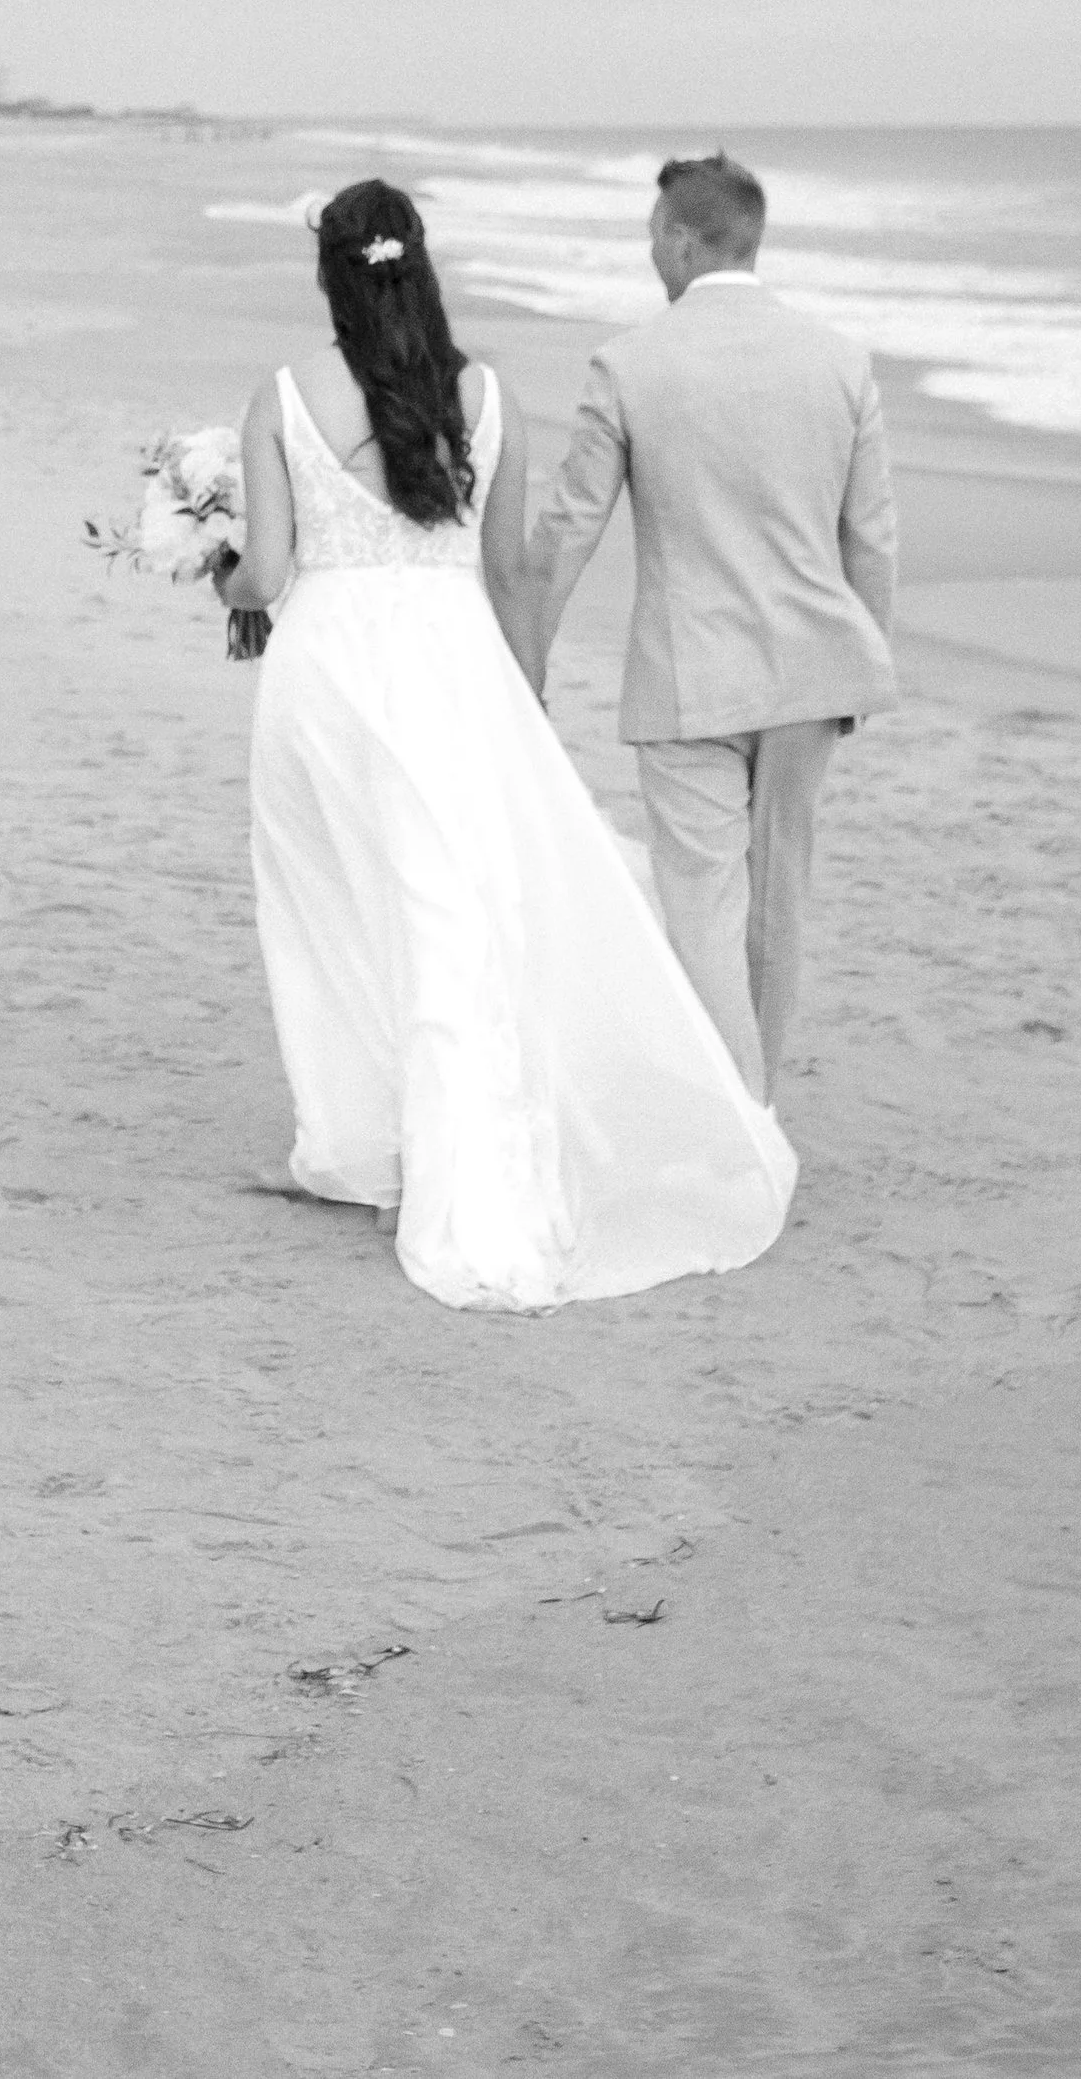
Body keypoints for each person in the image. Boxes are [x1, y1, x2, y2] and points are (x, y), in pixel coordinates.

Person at [213, 177, 796, 1313]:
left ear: (327, 273)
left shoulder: (281, 396)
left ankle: (365, 1149)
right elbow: (511, 572)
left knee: (331, 905)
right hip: (455, 670)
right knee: (453, 912)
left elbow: (271, 576)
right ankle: (432, 1150)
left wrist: (217, 573)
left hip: (327, 672)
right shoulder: (484, 397)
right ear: (419, 266)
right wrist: (519, 699)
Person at [526, 151, 897, 1102]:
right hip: (816, 670)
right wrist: (866, 666)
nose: (650, 248)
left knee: (702, 903)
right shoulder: (841, 361)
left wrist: (520, 653)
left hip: (690, 679)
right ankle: (756, 1101)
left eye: (655, 232)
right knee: (778, 905)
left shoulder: (630, 362)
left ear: (685, 242)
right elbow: (874, 540)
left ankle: (738, 1118)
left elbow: (570, 527)